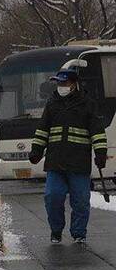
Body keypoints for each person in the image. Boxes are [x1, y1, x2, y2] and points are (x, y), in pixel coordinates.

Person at [29, 69, 107, 244]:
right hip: (55, 162)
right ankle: (56, 231)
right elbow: (43, 129)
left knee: (80, 201)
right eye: (59, 83)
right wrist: (36, 150)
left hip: (78, 163)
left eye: (64, 83)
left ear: (74, 84)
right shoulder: (52, 104)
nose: (61, 87)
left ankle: (79, 233)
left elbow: (97, 131)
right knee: (52, 197)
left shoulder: (87, 104)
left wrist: (101, 153)